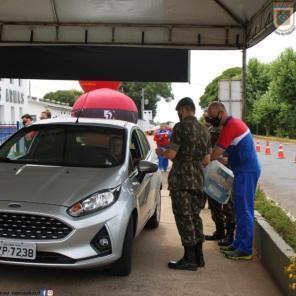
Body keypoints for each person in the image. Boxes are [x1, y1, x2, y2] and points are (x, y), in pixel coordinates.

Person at [156, 97, 211, 271]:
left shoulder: (180, 127)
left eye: (179, 111)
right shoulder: (205, 130)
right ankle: (199, 256)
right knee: (195, 216)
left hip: (182, 179)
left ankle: (189, 259)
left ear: (183, 109)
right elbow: (206, 160)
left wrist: (161, 151)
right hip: (198, 179)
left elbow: (172, 154)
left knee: (183, 217)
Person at [207, 101, 261, 260]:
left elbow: (215, 153)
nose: (210, 119)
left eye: (212, 116)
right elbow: (226, 156)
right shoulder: (231, 126)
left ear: (221, 113)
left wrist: (203, 159)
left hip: (247, 171)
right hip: (242, 170)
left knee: (245, 210)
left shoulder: (231, 126)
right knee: (240, 210)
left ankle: (245, 249)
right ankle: (238, 243)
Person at [203, 112, 236, 247]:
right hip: (213, 171)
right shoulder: (208, 132)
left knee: (228, 204)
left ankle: (229, 234)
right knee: (213, 202)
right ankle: (220, 231)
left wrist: (225, 159)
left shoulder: (228, 131)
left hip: (227, 171)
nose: (208, 118)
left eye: (209, 116)